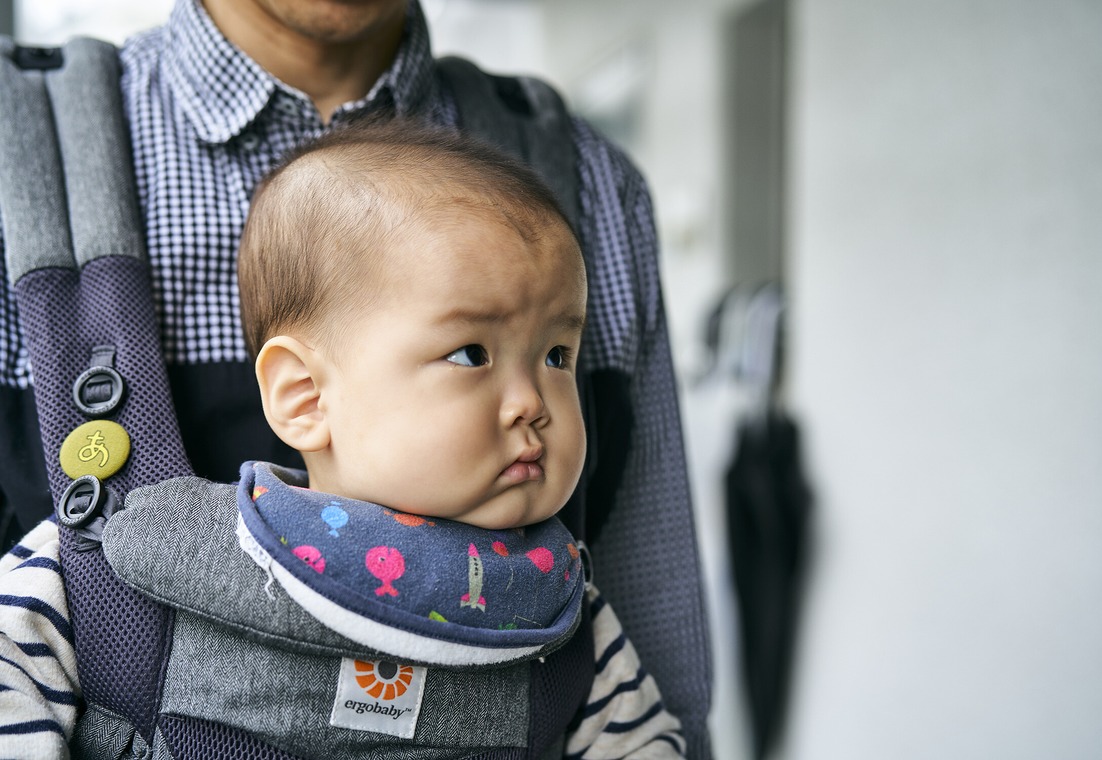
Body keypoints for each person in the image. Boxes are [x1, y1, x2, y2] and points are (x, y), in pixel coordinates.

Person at [0, 0, 711, 753]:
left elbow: (660, 709)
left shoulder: (561, 607)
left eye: (557, 357)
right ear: (303, 396)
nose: (532, 403)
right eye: (470, 354)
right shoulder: (29, 161)